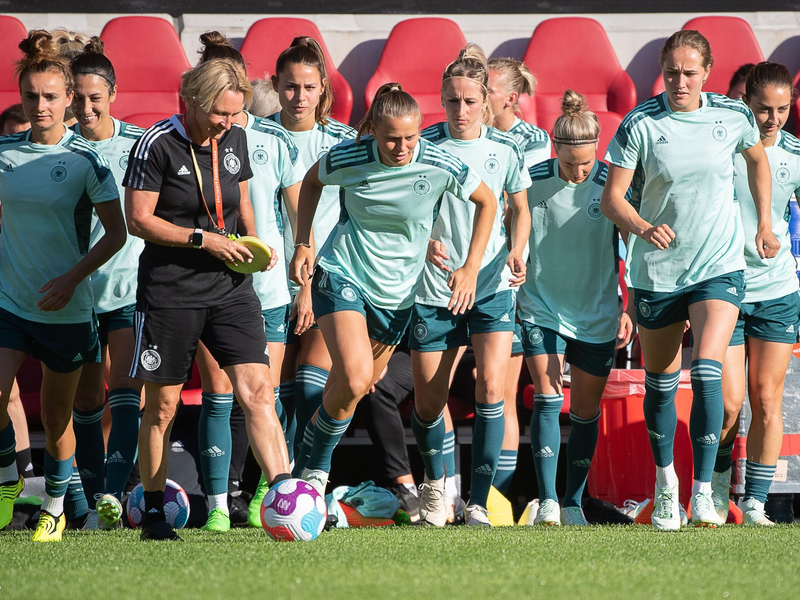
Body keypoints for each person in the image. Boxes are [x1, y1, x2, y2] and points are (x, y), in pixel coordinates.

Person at [602, 30, 778, 530]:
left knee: (706, 370)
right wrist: (641, 227)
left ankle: (703, 492)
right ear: (663, 70)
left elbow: (758, 163)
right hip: (657, 273)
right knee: (661, 383)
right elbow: (613, 199)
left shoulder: (732, 116)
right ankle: (665, 488)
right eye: (672, 71)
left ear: (707, 72)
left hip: (718, 265)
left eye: (690, 72)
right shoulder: (640, 123)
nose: (680, 81)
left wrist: (763, 222)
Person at [290, 82, 497, 499]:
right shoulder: (349, 157)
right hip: (344, 274)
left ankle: (302, 463)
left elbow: (488, 201)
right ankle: (316, 476)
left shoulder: (439, 162)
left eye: (409, 137)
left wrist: (472, 267)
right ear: (374, 132)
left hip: (398, 296)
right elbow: (310, 183)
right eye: (390, 139)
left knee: (356, 387)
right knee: (352, 376)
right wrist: (303, 243)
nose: (401, 147)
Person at [123, 57, 291, 541]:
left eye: (235, 115)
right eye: (220, 114)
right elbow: (139, 220)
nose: (228, 124)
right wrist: (205, 240)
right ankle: (153, 510)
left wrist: (255, 247)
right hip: (170, 292)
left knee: (259, 391)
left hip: (231, 290)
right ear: (193, 102)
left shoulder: (234, 137)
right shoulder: (156, 143)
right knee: (161, 407)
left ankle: (284, 495)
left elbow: (240, 199)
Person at [0, 30, 125, 542]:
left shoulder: (86, 159)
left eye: (51, 96)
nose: (40, 105)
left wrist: (72, 279)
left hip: (68, 311)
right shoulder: (4, 153)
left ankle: (54, 502)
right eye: (31, 96)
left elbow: (117, 233)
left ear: (69, 98)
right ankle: (8, 477)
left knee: (56, 419)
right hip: (10, 302)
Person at [410, 44, 531, 527]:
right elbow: (406, 211)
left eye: (469, 101)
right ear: (442, 98)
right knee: (428, 402)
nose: (460, 111)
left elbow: (519, 209)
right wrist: (424, 244)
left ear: (487, 101)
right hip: (434, 288)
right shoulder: (421, 145)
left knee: (491, 389)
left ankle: (478, 502)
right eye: (452, 101)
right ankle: (438, 492)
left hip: (492, 285)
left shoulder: (506, 148)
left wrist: (518, 249)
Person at [192, 31, 303, 532]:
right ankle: (217, 501)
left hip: (270, 290)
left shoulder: (273, 138)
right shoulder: (189, 140)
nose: (227, 114)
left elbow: (300, 212)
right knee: (219, 393)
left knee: (265, 393)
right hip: (211, 287)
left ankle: (270, 492)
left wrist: (301, 268)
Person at [519, 90, 634, 526]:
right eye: (570, 163)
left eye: (586, 163)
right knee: (548, 400)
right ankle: (547, 499)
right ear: (555, 147)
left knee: (585, 411)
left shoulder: (612, 184)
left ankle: (572, 502)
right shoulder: (530, 182)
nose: (579, 171)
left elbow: (633, 250)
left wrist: (631, 306)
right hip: (541, 306)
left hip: (597, 311)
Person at [265, 36, 356, 522]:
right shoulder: (254, 136)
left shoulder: (342, 143)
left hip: (327, 280)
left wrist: (309, 284)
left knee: (310, 388)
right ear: (275, 87)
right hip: (266, 282)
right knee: (269, 395)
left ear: (324, 89)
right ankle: (275, 484)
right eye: (289, 86)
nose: (299, 96)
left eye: (308, 87)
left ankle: (305, 485)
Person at [712, 62, 800, 526]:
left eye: (782, 109)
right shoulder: (722, 147)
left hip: (777, 289)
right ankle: (716, 494)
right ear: (746, 102)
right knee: (727, 405)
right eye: (764, 108)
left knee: (767, 398)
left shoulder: (796, 154)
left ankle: (756, 503)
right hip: (722, 287)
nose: (773, 119)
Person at [65, 36, 146, 530]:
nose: (87, 107)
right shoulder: (62, 148)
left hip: (130, 286)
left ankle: (115, 496)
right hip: (77, 293)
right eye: (79, 97)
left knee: (127, 389)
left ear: (113, 94)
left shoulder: (138, 144)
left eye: (96, 97)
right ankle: (94, 500)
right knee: (87, 400)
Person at [487, 56, 552, 498]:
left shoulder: (533, 141)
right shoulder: (470, 134)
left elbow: (520, 207)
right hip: (462, 274)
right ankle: (457, 491)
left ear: (511, 97)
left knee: (504, 391)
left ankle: (499, 498)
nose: (475, 99)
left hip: (514, 277)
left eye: (485, 91)